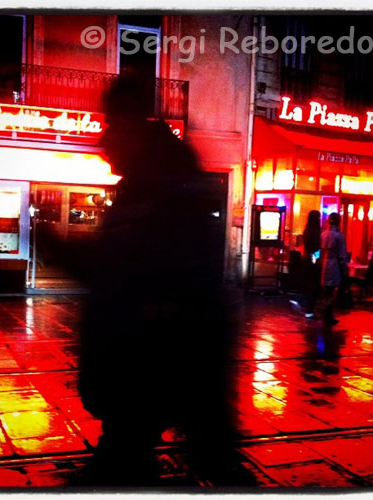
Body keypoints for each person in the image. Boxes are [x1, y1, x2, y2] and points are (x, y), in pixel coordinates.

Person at [77, 75, 245, 486]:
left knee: (129, 457)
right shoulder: (156, 174)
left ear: (130, 121)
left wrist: (73, 255)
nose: (104, 139)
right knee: (198, 453)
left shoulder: (158, 179)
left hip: (156, 354)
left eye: (113, 124)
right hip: (162, 352)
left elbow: (135, 269)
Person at [320, 212, 349, 325]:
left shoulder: (323, 234)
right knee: (331, 291)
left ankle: (325, 314)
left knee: (326, 291)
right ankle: (328, 315)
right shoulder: (339, 236)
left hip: (324, 264)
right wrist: (345, 270)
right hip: (334, 265)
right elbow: (342, 255)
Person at [301, 210, 321, 319]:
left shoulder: (307, 230)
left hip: (306, 258)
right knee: (314, 285)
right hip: (313, 259)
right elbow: (316, 247)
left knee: (309, 284)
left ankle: (306, 307)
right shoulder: (316, 231)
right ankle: (309, 310)